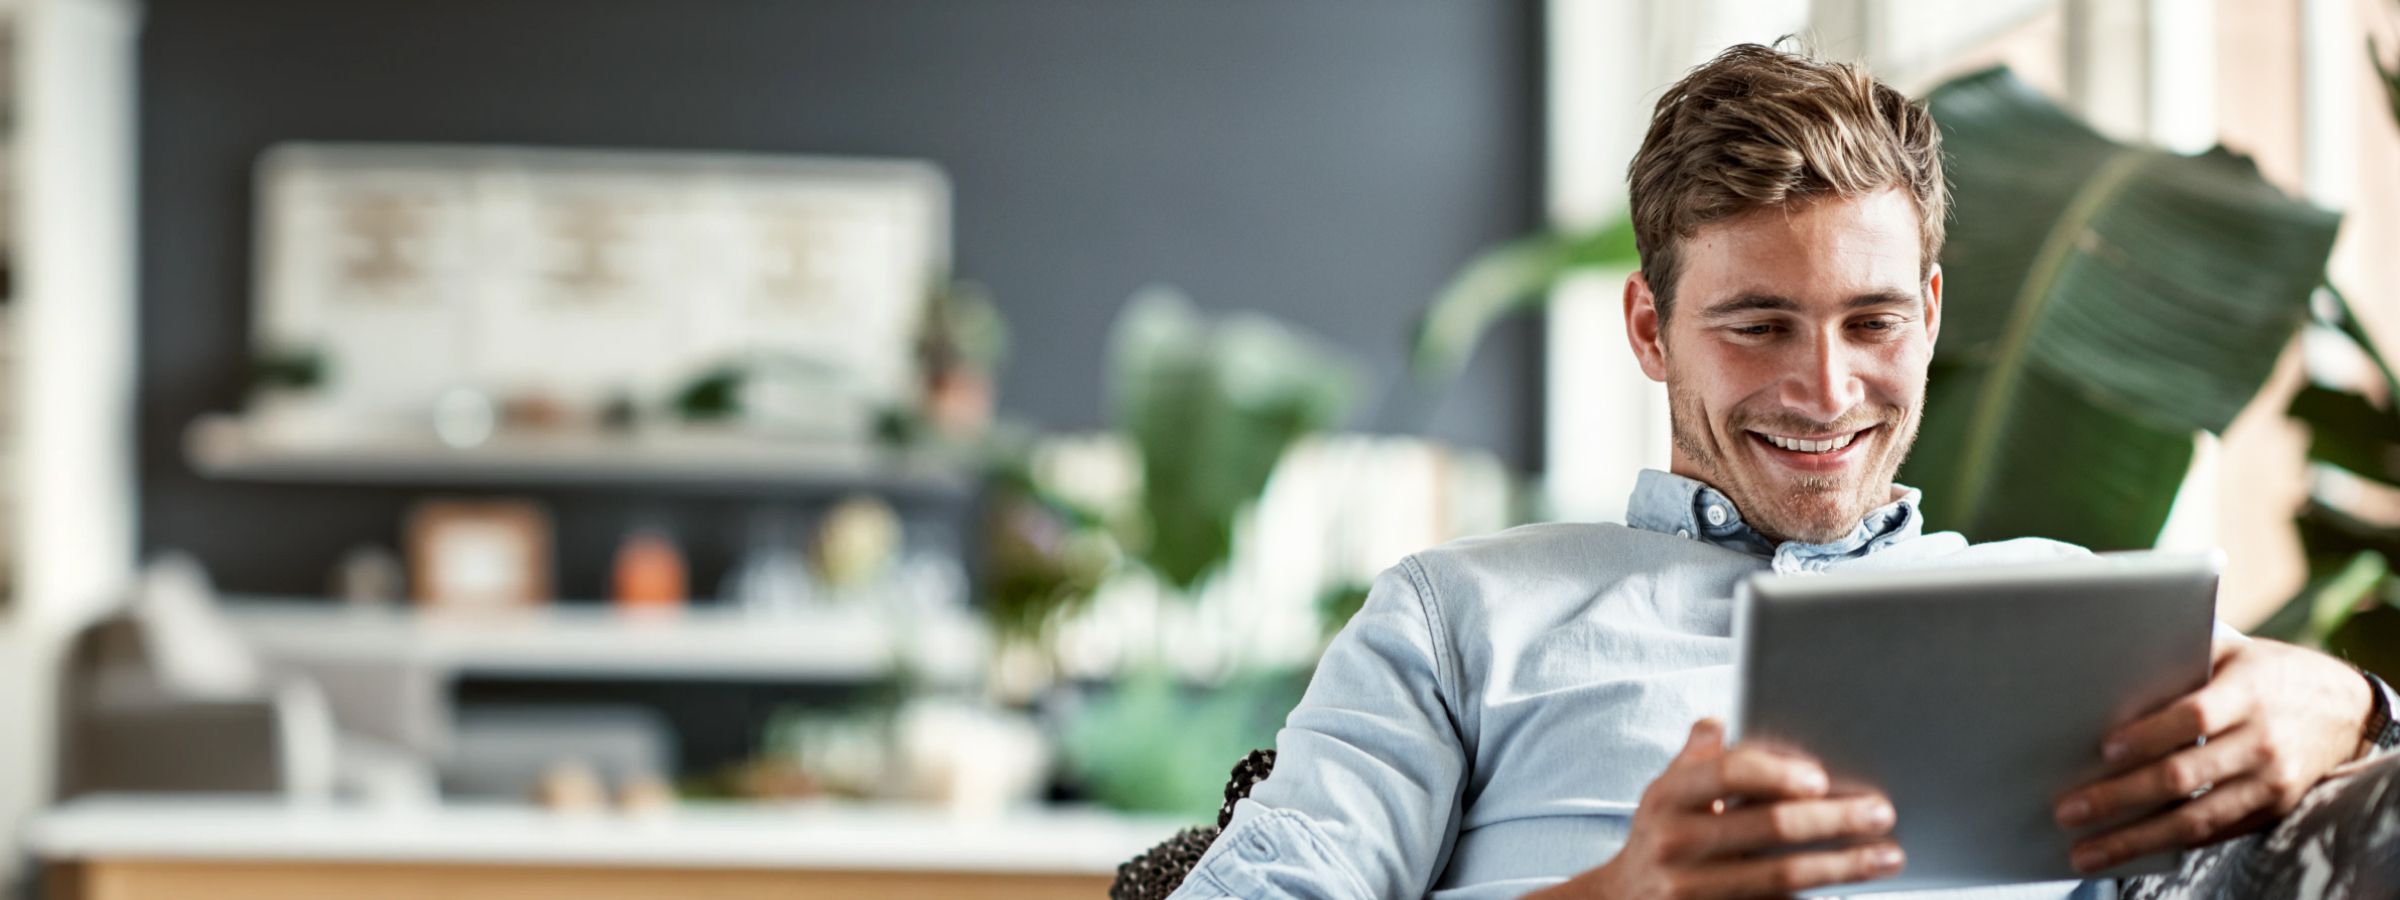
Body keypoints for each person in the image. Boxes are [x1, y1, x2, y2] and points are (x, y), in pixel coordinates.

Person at [1163, 43, 2399, 900]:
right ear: (1649, 329)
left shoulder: (2072, 607)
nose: (1824, 389)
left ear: (1927, 311)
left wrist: (2351, 708)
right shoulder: (1461, 617)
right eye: (1757, 325)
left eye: (1871, 323)